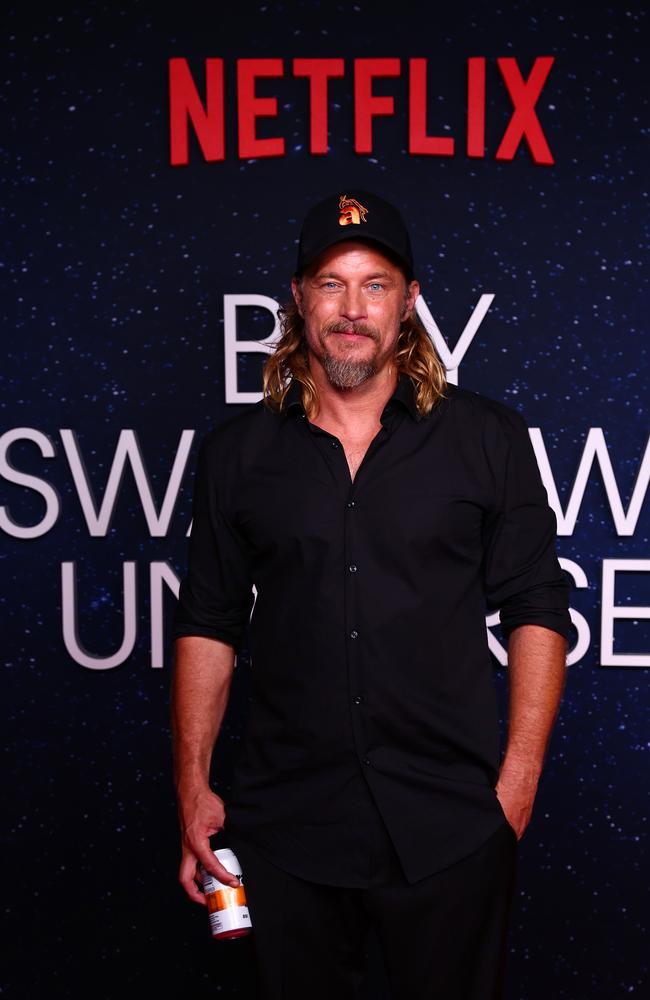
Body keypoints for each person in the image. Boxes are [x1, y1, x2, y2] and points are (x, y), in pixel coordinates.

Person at [171, 190, 571, 1000]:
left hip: (451, 828)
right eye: (331, 283)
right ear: (297, 298)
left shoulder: (487, 438)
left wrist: (517, 787)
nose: (352, 310)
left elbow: (537, 605)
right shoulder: (237, 456)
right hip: (286, 831)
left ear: (411, 302)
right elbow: (208, 621)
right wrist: (193, 783)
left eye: (376, 284)